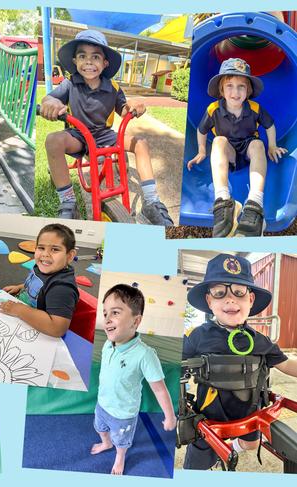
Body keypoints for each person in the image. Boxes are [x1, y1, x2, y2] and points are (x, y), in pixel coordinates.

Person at [40, 30, 172, 226]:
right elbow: (50, 97)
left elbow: (124, 110)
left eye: (96, 57)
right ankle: (68, 202)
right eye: (82, 56)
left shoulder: (113, 87)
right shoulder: (70, 84)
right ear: (75, 61)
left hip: (104, 135)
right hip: (79, 135)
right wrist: (49, 102)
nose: (89, 61)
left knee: (141, 143)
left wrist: (134, 105)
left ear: (105, 63)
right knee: (53, 140)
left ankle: (152, 201)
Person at [183, 254, 297, 469]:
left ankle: (233, 447)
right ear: (209, 300)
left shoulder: (260, 340)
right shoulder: (197, 336)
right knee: (197, 466)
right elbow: (172, 364)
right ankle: (214, 459)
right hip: (209, 419)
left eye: (239, 292)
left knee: (252, 444)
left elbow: (286, 363)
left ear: (250, 300)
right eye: (219, 293)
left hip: (248, 415)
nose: (230, 299)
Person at [187, 58, 286, 237]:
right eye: (230, 86)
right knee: (218, 141)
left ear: (248, 91)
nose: (235, 92)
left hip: (249, 149)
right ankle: (223, 201)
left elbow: (269, 125)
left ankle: (255, 204)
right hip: (229, 153)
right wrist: (202, 150)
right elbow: (202, 130)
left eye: (241, 86)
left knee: (257, 143)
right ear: (222, 90)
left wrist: (272, 146)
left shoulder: (254, 108)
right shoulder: (213, 109)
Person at [92, 284, 176, 475]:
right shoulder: (108, 343)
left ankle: (119, 457)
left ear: (135, 321)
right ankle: (106, 443)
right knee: (100, 428)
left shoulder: (145, 354)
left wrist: (170, 417)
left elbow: (160, 389)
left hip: (124, 413)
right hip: (102, 404)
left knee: (121, 442)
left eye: (115, 313)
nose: (107, 320)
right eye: (105, 313)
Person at [0, 223, 79, 338]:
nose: (45, 254)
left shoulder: (62, 288)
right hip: (21, 314)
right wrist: (20, 287)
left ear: (70, 256)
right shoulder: (42, 267)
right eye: (41, 248)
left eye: (55, 249)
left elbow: (57, 328)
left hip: (37, 332)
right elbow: (39, 286)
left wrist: (19, 310)